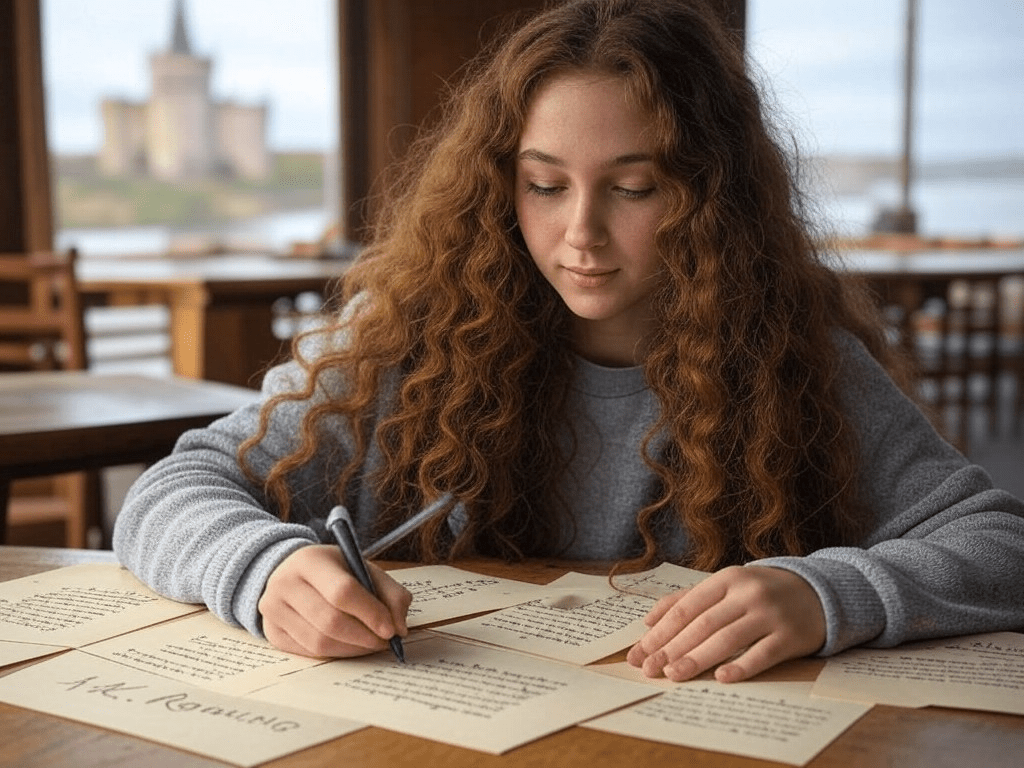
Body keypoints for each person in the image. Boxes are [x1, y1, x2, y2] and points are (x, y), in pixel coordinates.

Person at [113, 0, 1024, 685]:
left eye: (633, 189)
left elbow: (1000, 544)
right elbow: (172, 489)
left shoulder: (799, 360)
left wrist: (834, 596)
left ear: (709, 196)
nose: (579, 233)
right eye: (545, 185)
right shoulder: (408, 340)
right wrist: (264, 569)